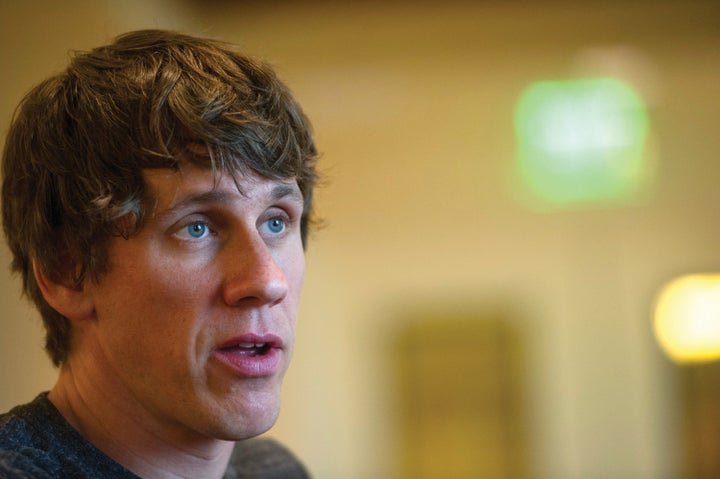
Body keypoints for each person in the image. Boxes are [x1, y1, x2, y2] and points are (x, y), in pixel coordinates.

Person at [0, 29, 318, 478]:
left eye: (275, 221)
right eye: (198, 227)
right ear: (67, 269)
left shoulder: (275, 471)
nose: (267, 281)